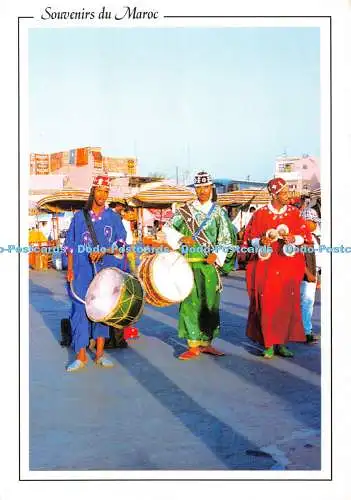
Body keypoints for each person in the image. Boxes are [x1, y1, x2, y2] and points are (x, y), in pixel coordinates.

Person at [163, 171, 237, 360]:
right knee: (189, 303)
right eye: (199, 188)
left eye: (206, 187)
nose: (203, 191)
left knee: (209, 304)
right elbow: (167, 228)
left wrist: (217, 254)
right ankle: (193, 345)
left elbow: (227, 237)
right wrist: (181, 237)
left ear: (211, 188)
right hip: (188, 265)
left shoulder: (219, 212)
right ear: (195, 189)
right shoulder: (185, 211)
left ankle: (207, 343)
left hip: (209, 266)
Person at [243, 177, 313, 359]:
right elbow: (249, 239)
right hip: (266, 268)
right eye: (283, 192)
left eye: (287, 192)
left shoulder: (294, 213)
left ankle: (281, 343)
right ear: (273, 194)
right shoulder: (260, 214)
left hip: (288, 267)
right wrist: (261, 241)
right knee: (266, 304)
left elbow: (306, 237)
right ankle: (268, 344)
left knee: (285, 304)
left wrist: (294, 238)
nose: (287, 195)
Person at [63, 175, 127, 372]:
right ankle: (81, 356)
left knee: (102, 309)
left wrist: (105, 250)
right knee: (80, 310)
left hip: (104, 271)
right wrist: (70, 269)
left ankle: (99, 354)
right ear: (93, 192)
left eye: (106, 192)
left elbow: (122, 242)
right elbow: (70, 245)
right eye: (99, 191)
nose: (102, 195)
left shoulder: (113, 217)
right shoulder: (79, 217)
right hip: (81, 270)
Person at [300, 211, 321, 344]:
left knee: (308, 303)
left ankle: (305, 330)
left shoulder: (314, 236)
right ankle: (306, 332)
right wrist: (308, 274)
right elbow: (299, 258)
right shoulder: (302, 239)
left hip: (314, 272)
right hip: (306, 275)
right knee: (306, 303)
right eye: (313, 221)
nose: (315, 224)